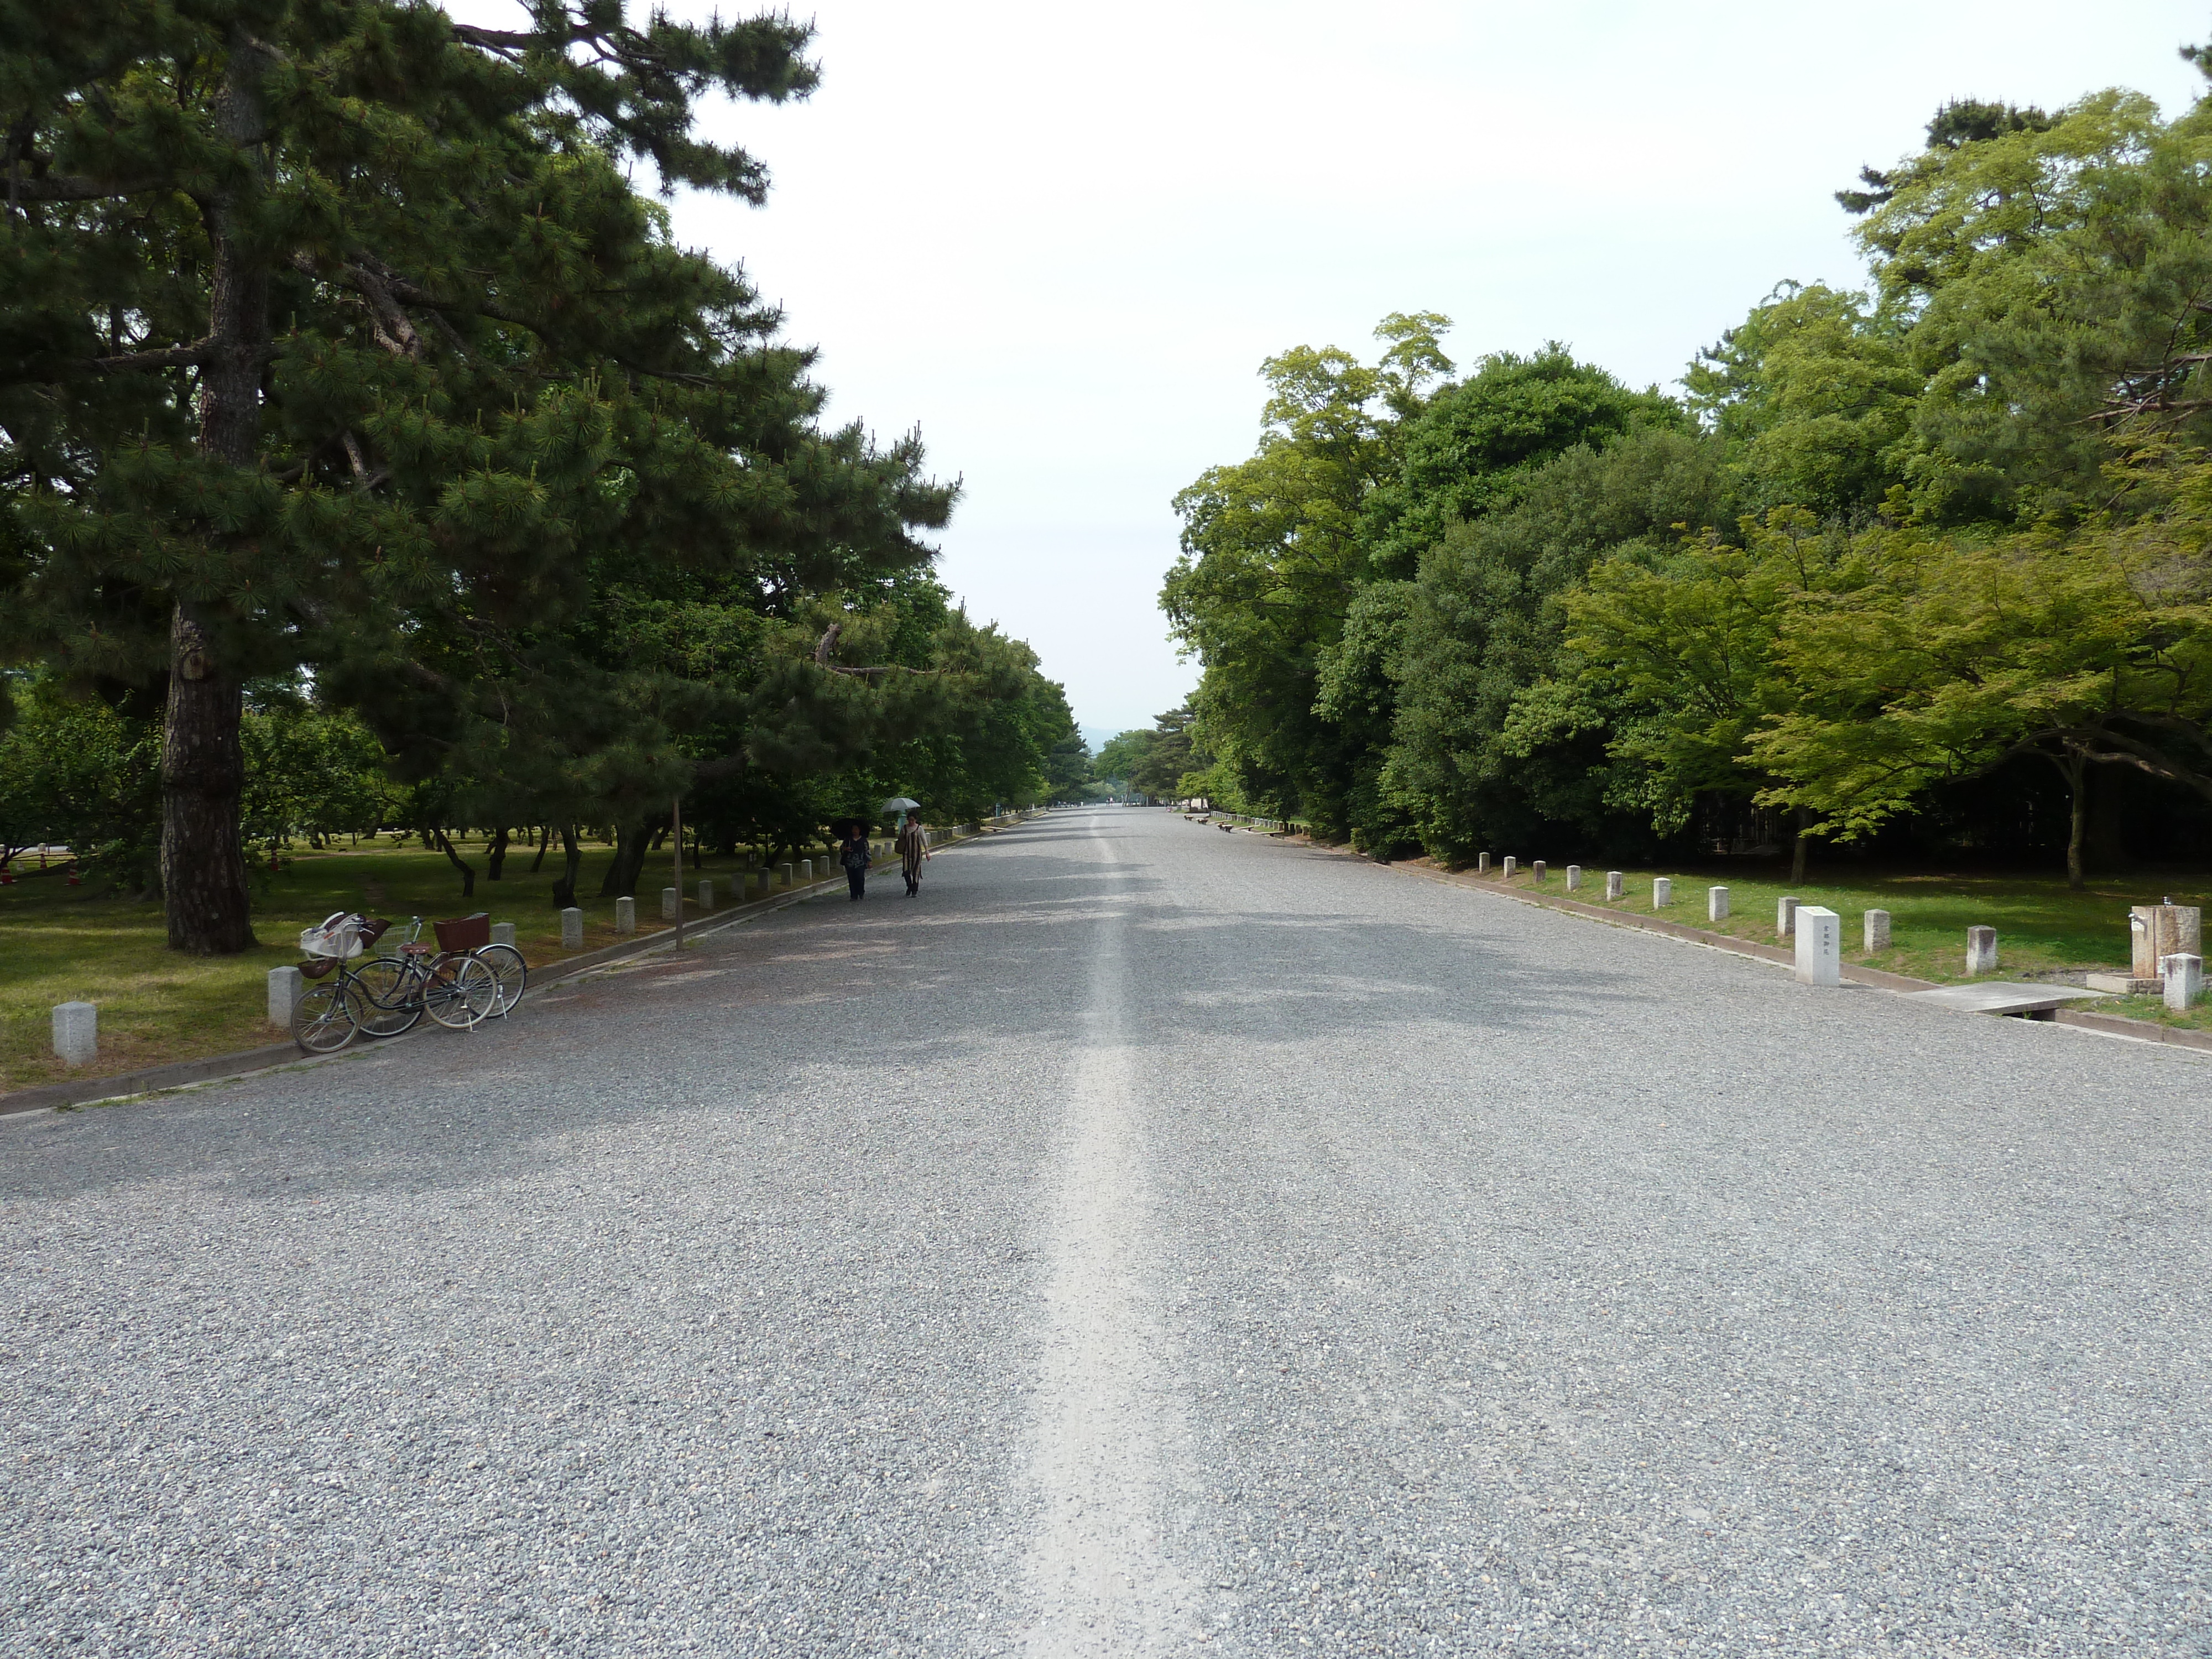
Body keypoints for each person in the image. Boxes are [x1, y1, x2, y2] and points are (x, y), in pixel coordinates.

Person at [897, 814, 930, 896]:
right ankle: (910, 886)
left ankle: (914, 889)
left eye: (913, 820)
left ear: (916, 820)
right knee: (906, 871)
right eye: (910, 820)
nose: (911, 822)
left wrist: (927, 852)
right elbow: (900, 838)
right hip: (906, 853)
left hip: (917, 853)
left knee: (916, 871)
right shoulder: (904, 828)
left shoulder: (919, 828)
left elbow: (924, 840)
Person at [838, 825, 871, 901]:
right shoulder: (848, 840)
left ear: (860, 830)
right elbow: (841, 848)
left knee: (860, 878)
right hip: (849, 862)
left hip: (860, 862)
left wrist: (869, 861)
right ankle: (854, 895)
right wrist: (846, 849)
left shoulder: (863, 840)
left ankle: (861, 891)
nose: (855, 831)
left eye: (856, 829)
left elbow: (867, 851)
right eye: (853, 829)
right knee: (852, 879)